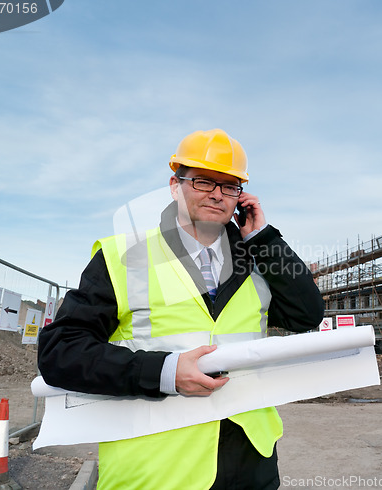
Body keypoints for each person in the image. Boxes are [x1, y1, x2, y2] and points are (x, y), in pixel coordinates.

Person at [38, 128, 325, 489]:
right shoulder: (124, 256)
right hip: (156, 469)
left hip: (250, 464)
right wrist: (165, 371)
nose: (218, 194)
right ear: (176, 184)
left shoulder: (256, 260)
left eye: (230, 185)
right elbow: (60, 352)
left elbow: (307, 314)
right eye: (204, 181)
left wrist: (263, 237)